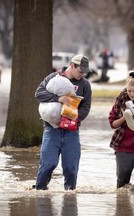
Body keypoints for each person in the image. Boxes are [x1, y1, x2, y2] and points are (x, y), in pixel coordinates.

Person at [34, 54, 92, 190]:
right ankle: (40, 191)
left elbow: (86, 106)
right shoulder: (53, 78)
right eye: (80, 70)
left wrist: (74, 118)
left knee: (71, 167)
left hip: (72, 131)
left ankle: (70, 195)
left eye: (85, 71)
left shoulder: (85, 84)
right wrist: (58, 98)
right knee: (48, 164)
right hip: (51, 129)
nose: (83, 74)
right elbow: (38, 93)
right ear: (72, 66)